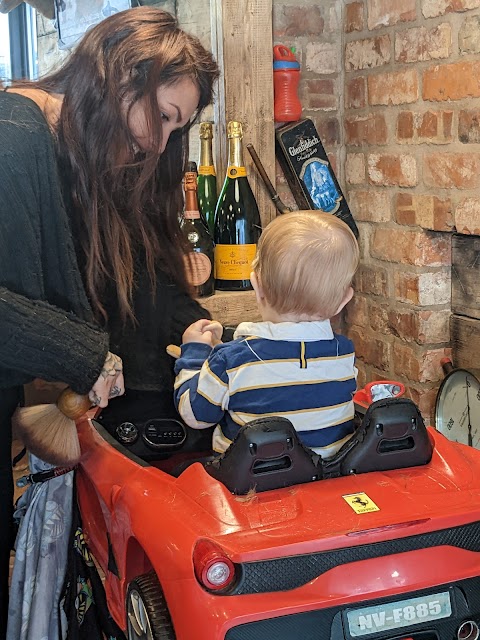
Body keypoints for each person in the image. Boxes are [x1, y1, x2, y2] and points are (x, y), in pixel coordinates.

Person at [0, 6, 219, 637]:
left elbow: (146, 279)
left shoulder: (95, 160)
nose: (158, 142)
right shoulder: (15, 134)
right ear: (121, 76)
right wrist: (82, 352)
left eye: (176, 128)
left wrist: (202, 331)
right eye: (162, 116)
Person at [174, 211, 360, 457]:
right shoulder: (342, 354)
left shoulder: (231, 361)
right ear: (343, 301)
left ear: (257, 286)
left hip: (248, 485)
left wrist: (195, 354)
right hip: (323, 479)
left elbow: (195, 415)